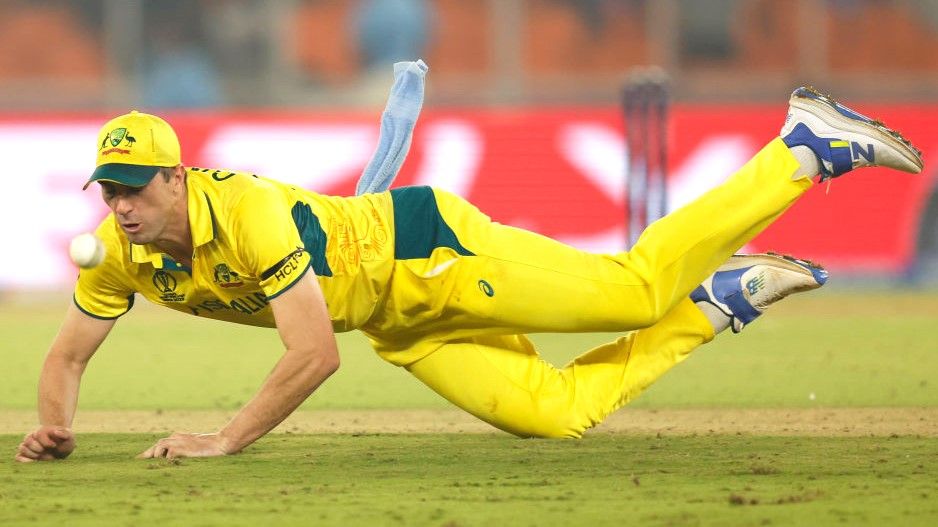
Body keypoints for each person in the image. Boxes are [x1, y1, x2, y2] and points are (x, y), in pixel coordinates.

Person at [15, 87, 923, 462]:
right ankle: (721, 300)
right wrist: (54, 430)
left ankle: (802, 149)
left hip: (431, 253)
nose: (122, 206)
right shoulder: (124, 252)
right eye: (111, 190)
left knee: (632, 289)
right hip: (398, 319)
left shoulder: (245, 212)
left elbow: (312, 354)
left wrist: (222, 440)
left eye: (138, 187)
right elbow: (67, 357)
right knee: (553, 415)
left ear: (177, 175)